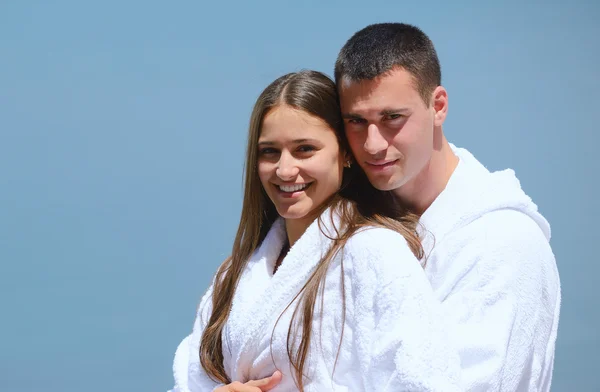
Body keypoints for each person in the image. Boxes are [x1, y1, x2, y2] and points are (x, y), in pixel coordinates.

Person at [168, 70, 462, 391]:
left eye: (305, 149)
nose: (284, 169)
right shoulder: (233, 275)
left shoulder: (377, 253)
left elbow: (427, 382)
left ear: (346, 153)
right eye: (269, 152)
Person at [334, 22, 561, 391]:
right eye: (357, 122)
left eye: (392, 118)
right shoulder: (351, 224)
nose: (373, 144)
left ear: (438, 106)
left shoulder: (505, 244)